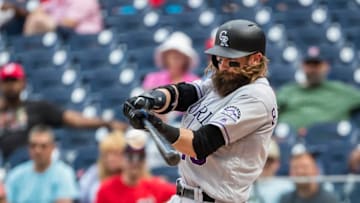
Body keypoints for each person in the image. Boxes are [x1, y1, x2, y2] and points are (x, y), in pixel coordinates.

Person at [123, 19, 278, 203]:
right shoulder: (225, 81)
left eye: (232, 60)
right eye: (220, 58)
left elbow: (200, 144)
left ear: (255, 59)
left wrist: (156, 126)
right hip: (184, 196)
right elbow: (185, 93)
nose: (223, 66)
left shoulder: (257, 96)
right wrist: (150, 99)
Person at [0, 62, 126, 161]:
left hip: (37, 164)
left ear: (23, 83)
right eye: (6, 81)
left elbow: (74, 120)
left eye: (14, 80)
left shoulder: (38, 107)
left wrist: (106, 123)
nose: (10, 86)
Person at [277, 47, 360, 131]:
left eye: (317, 64)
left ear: (326, 66)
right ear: (302, 66)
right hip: (288, 137)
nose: (313, 69)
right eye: (309, 64)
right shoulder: (288, 91)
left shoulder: (340, 91)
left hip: (327, 140)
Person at [5, 125, 78, 203]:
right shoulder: (16, 174)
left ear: (53, 147)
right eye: (33, 146)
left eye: (43, 146)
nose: (38, 151)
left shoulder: (64, 174)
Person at [96, 144, 176, 203]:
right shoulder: (107, 189)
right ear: (122, 159)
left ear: (144, 161)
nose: (135, 162)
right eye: (130, 157)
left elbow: (182, 193)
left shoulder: (155, 186)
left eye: (140, 157)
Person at [79, 131, 126, 203]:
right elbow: (82, 196)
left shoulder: (133, 177)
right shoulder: (93, 173)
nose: (110, 158)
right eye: (106, 154)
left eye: (115, 153)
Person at [23, 0, 103, 36]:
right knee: (34, 18)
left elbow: (69, 22)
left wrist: (46, 20)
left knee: (41, 21)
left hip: (86, 38)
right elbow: (39, 9)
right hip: (63, 33)